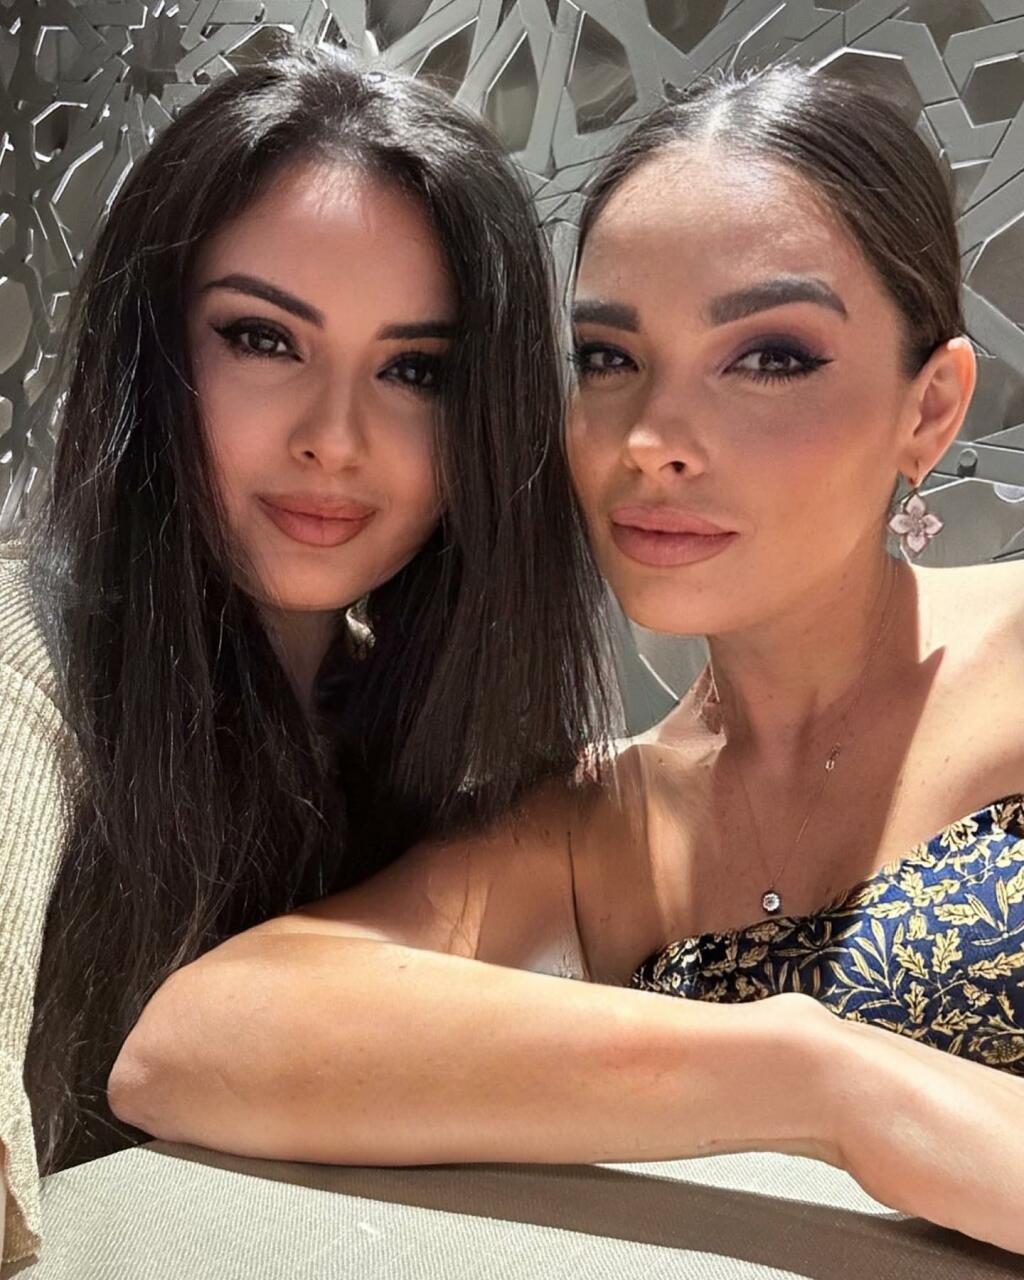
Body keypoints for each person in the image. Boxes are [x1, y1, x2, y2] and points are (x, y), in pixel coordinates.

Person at [109, 69, 1024, 1253]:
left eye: (769, 357)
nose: (654, 441)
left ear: (928, 407)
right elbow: (188, 1044)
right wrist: (818, 1077)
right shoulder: (597, 818)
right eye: (606, 357)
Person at [0, 42, 609, 1265]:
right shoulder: (30, 662)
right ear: (156, 352)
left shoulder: (437, 725)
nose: (334, 438)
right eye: (264, 339)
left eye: (414, 369)